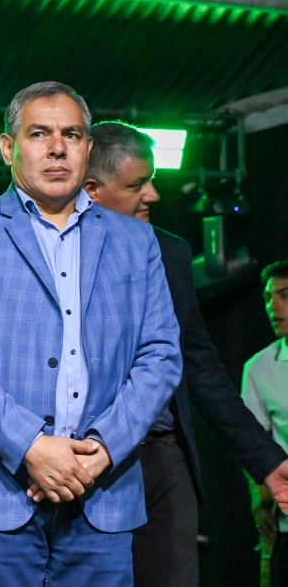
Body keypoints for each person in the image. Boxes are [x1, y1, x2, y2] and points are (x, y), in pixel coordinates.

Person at [0, 81, 182, 586]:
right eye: (39, 133)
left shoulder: (137, 240)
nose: (58, 147)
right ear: (8, 147)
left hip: (102, 492)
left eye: (72, 134)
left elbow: (161, 355)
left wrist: (102, 449)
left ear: (88, 147)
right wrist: (32, 447)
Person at [83, 121, 288, 587]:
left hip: (164, 458)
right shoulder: (54, 253)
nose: (153, 195)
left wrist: (267, 461)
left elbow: (201, 369)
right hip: (88, 461)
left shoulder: (171, 253)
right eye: (137, 185)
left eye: (152, 181)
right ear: (92, 190)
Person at [243, 261, 288, 586]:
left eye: (284, 295)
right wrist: (259, 501)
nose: (273, 307)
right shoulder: (258, 368)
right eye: (269, 298)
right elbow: (251, 444)